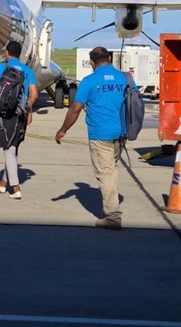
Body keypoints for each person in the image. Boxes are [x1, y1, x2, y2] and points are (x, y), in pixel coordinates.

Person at [54, 46, 134, 230]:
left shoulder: (89, 81)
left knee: (105, 173)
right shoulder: (125, 78)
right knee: (112, 170)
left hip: (100, 135)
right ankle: (109, 209)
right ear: (110, 59)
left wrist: (63, 130)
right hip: (121, 134)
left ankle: (112, 217)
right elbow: (134, 102)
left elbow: (75, 108)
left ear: (92, 62)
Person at [0, 40, 37, 199]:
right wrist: (28, 109)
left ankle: (15, 188)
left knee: (8, 148)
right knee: (13, 147)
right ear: (20, 54)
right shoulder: (28, 71)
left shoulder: (3, 67)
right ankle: (3, 183)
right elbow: (34, 94)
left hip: (5, 113)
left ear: (7, 53)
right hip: (20, 113)